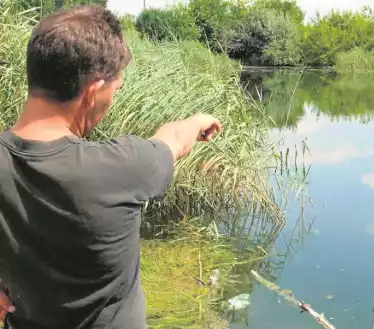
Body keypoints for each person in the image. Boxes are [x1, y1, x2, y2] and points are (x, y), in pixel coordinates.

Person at [0, 4, 222, 329]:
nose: (112, 100)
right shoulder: (122, 167)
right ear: (92, 92)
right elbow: (173, 140)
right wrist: (198, 120)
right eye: (114, 90)